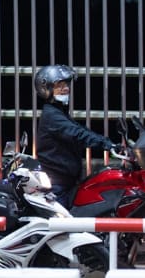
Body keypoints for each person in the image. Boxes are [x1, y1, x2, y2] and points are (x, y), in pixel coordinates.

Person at [34, 65, 114, 208]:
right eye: (59, 85)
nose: (66, 88)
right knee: (62, 227)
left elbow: (80, 129)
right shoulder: (52, 116)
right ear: (46, 89)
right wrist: (107, 145)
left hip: (67, 183)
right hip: (57, 187)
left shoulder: (59, 113)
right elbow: (78, 134)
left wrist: (109, 143)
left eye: (66, 84)